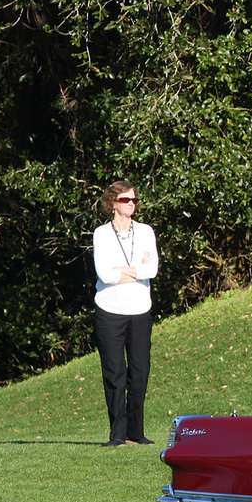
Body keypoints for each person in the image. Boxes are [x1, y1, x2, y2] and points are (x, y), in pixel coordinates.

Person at [92, 180, 160, 446]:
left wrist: (124, 270)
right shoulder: (101, 234)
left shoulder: (145, 232)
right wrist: (135, 270)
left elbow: (151, 270)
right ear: (113, 203)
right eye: (125, 200)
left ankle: (136, 432)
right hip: (109, 311)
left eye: (133, 200)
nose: (131, 204)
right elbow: (105, 275)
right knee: (114, 372)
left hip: (140, 310)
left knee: (140, 370)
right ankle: (117, 435)